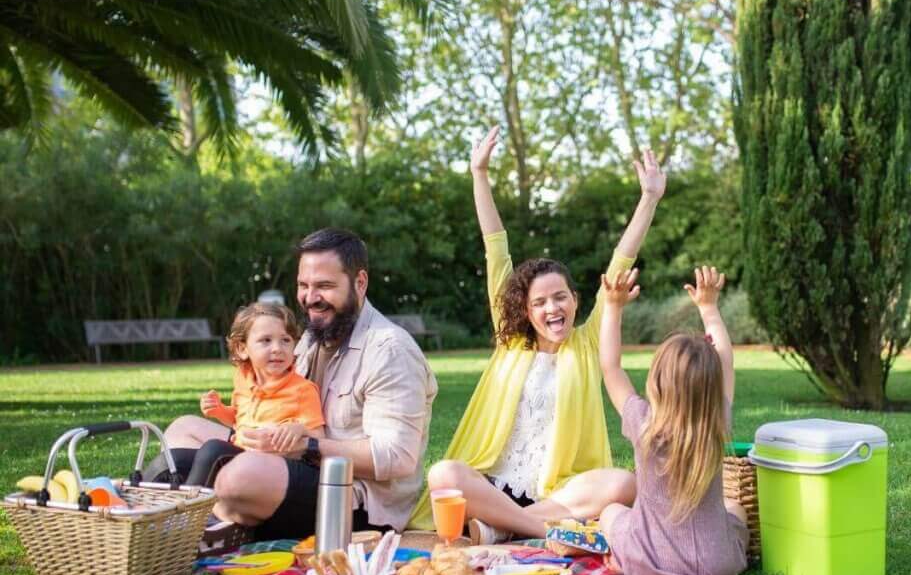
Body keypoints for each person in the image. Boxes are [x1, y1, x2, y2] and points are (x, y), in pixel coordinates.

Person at [409, 125, 666, 544]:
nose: (552, 309)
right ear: (526, 312)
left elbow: (621, 261)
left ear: (576, 301)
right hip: (493, 485)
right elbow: (496, 248)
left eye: (560, 298)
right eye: (541, 303)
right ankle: (541, 531)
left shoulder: (586, 344)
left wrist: (649, 198)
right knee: (444, 474)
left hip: (557, 494)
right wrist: (479, 174)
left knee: (623, 484)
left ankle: (497, 529)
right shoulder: (511, 342)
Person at [143, 229, 438, 540]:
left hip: (353, 499)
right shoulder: (313, 336)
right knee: (183, 430)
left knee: (238, 477)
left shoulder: (389, 350)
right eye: (303, 285)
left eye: (324, 286)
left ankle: (199, 527)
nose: (310, 298)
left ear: (360, 282)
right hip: (289, 459)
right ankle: (160, 515)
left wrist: (308, 446)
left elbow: (398, 458)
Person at [597, 265, 748, 575]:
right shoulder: (716, 419)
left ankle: (625, 562)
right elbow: (726, 360)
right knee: (735, 508)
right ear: (712, 385)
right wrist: (709, 308)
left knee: (610, 512)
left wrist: (612, 308)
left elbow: (610, 369)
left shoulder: (644, 423)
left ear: (657, 382)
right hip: (716, 563)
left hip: (650, 560)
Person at [180, 302, 325, 489]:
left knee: (213, 450)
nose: (277, 348)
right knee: (177, 458)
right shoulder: (243, 378)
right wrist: (219, 411)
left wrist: (297, 429)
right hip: (243, 453)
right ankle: (143, 508)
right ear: (242, 349)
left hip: (278, 467)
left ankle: (188, 512)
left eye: (285, 340)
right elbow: (239, 419)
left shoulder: (302, 390)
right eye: (266, 340)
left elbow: (319, 436)